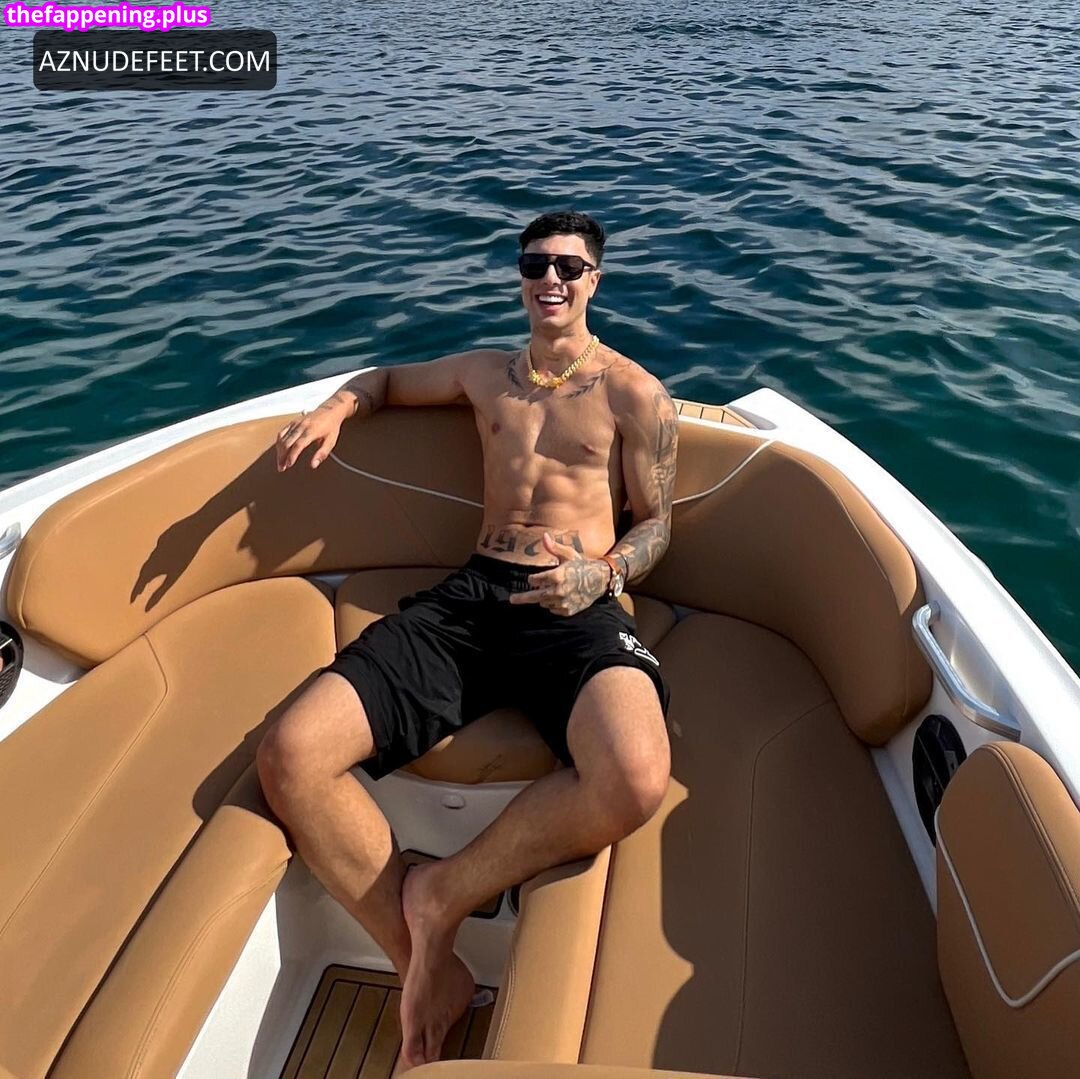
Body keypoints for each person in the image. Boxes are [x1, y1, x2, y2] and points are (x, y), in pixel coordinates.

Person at [257, 210, 677, 1070]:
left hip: (578, 601)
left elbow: (659, 525)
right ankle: (426, 962)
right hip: (473, 598)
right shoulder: (484, 374)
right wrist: (337, 407)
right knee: (291, 753)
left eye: (569, 266)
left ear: (595, 281)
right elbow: (384, 381)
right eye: (535, 263)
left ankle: (440, 891)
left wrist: (603, 574)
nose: (550, 278)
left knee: (637, 775)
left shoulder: (635, 393)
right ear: (520, 276)